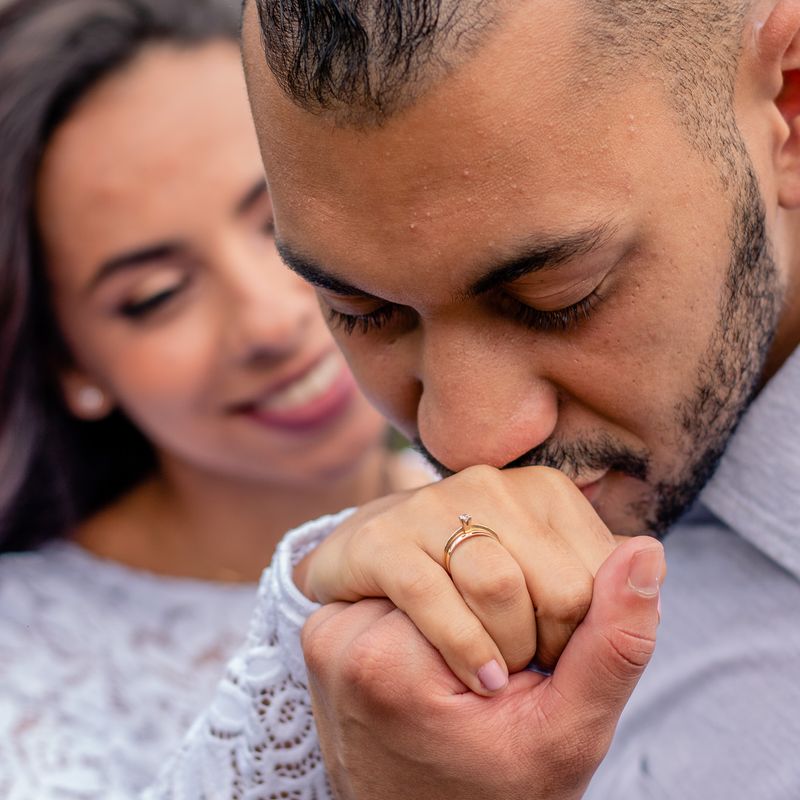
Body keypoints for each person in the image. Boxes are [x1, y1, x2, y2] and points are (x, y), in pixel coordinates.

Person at [235, 0, 800, 797]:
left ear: (787, 110)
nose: (465, 441)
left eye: (556, 296)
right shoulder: (340, 632)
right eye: (360, 311)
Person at [0, 0, 431, 795]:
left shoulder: (556, 488)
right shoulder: (19, 675)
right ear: (72, 363)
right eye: (157, 295)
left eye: (281, 221)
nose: (268, 319)